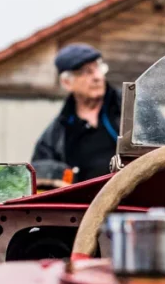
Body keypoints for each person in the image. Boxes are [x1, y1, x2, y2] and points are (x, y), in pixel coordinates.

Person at [31, 44, 121, 182]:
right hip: (84, 203)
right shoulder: (56, 134)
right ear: (67, 82)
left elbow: (162, 154)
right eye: (86, 71)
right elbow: (38, 178)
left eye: (98, 68)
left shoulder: (132, 108)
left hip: (134, 200)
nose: (97, 76)